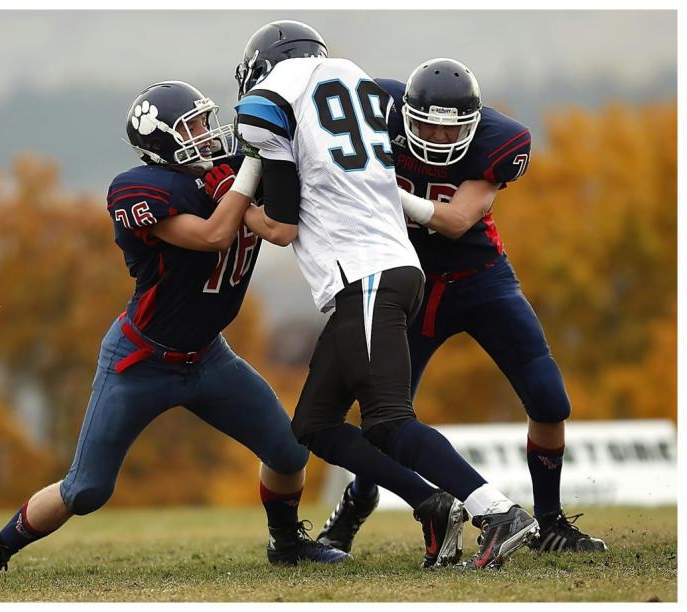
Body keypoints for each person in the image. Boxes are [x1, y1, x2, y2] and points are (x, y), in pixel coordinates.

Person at [0, 80, 350, 578]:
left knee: (288, 450)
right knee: (87, 489)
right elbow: (213, 234)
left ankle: (286, 542)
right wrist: (253, 166)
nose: (208, 135)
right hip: (140, 360)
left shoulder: (227, 170)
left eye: (207, 122)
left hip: (209, 357)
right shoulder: (142, 189)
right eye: (194, 127)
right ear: (160, 142)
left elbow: (282, 216)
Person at [230, 20, 539, 570]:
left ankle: (498, 511)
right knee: (314, 427)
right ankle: (431, 505)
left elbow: (281, 226)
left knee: (389, 420)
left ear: (264, 66)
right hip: (386, 269)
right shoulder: (355, 79)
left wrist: (235, 204)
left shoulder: (271, 97)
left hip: (366, 274)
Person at [318, 58, 607, 555]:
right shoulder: (372, 109)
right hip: (404, 285)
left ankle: (550, 519)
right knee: (382, 421)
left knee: (549, 398)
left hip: (480, 280)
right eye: (426, 122)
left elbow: (454, 221)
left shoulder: (501, 140)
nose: (436, 136)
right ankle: (356, 502)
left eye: (451, 127)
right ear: (404, 113)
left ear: (475, 123)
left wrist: (380, 188)